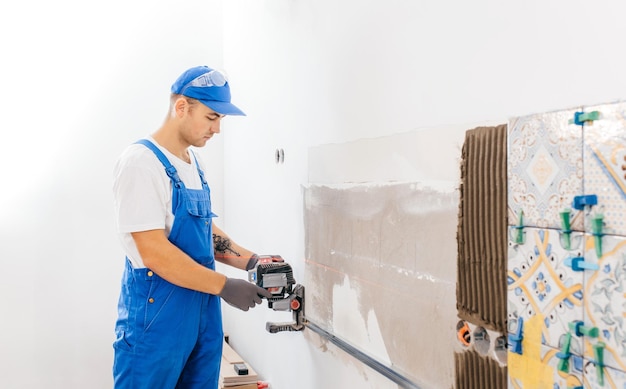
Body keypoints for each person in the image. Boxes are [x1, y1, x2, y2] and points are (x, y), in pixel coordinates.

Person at [112, 65, 280, 389]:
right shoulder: (140, 163)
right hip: (155, 324)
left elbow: (206, 233)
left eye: (221, 120)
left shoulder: (192, 163)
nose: (217, 129)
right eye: (211, 117)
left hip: (201, 316)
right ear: (181, 108)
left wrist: (252, 262)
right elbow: (155, 253)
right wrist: (224, 286)